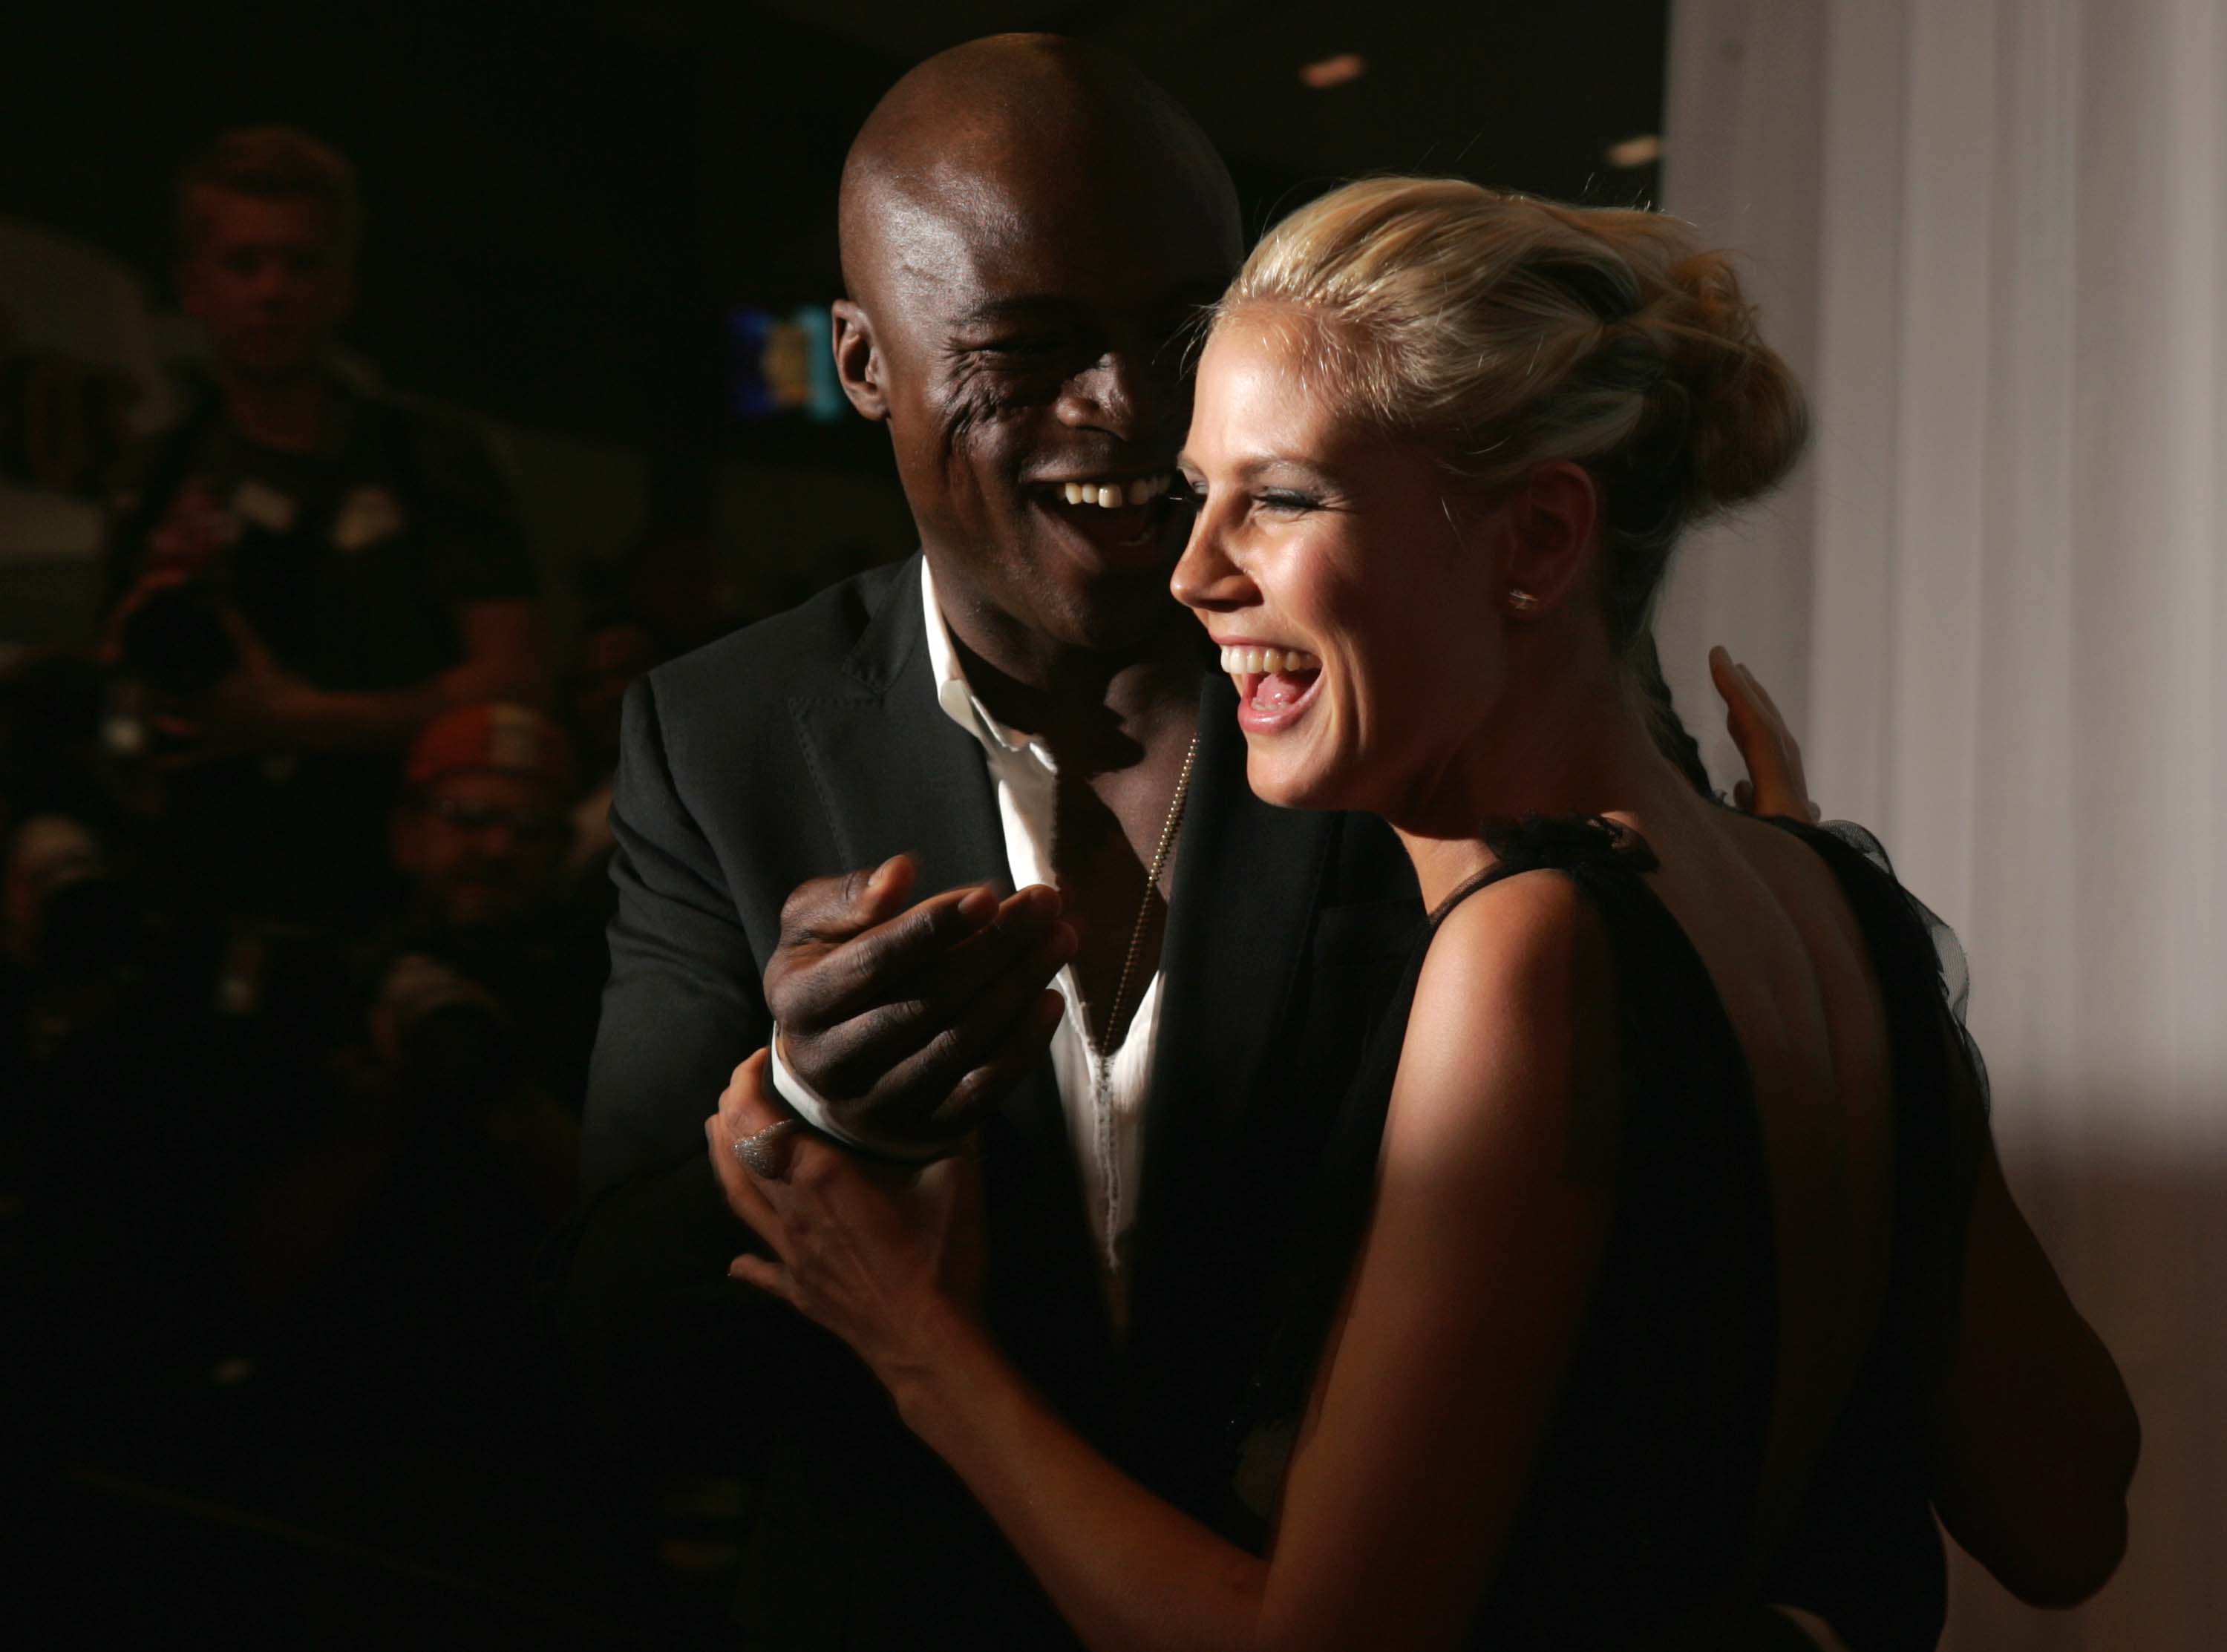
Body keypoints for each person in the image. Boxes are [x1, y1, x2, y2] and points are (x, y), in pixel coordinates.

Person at [543, 37, 1908, 1651]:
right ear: (862, 359)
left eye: (1178, 332)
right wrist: (812, 1106)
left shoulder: (1414, 690)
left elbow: (1719, 1290)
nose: (1126, 406)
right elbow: (616, 1361)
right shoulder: (724, 738)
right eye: (1032, 348)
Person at [707, 178, 2142, 1648]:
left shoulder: (1524, 954)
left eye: (1279, 498)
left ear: (1533, 542)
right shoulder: (1833, 902)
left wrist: (915, 1339)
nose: (1195, 575)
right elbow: (2067, 1516)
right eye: (1201, 497)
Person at [99, 127, 544, 928]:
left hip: (385, 893)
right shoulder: (152, 477)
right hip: (186, 884)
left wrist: (297, 721)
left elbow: (514, 678)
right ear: (192, 284)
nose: (272, 291)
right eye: (243, 263)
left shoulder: (429, 459)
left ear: (343, 285)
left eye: (300, 263)